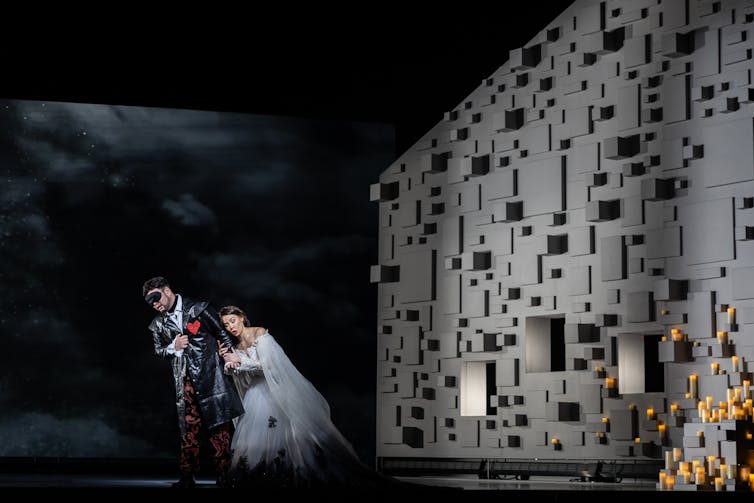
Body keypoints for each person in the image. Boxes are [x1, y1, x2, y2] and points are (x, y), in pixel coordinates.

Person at [218, 305, 391, 489]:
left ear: (242, 317)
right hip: (255, 393)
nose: (230, 327)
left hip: (273, 389)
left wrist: (240, 362)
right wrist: (229, 364)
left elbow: (270, 366)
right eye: (226, 325)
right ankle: (259, 477)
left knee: (282, 432)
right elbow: (242, 375)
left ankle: (286, 475)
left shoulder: (259, 333)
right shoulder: (235, 347)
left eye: (232, 321)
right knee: (253, 438)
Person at [143, 276, 244, 488]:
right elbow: (158, 350)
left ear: (167, 290)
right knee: (188, 430)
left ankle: (226, 475)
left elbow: (221, 332)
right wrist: (173, 346)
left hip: (211, 378)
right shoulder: (158, 324)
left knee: (220, 428)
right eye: (151, 303)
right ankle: (188, 477)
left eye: (157, 298)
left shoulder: (198, 309)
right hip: (185, 383)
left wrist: (228, 354)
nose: (156, 305)